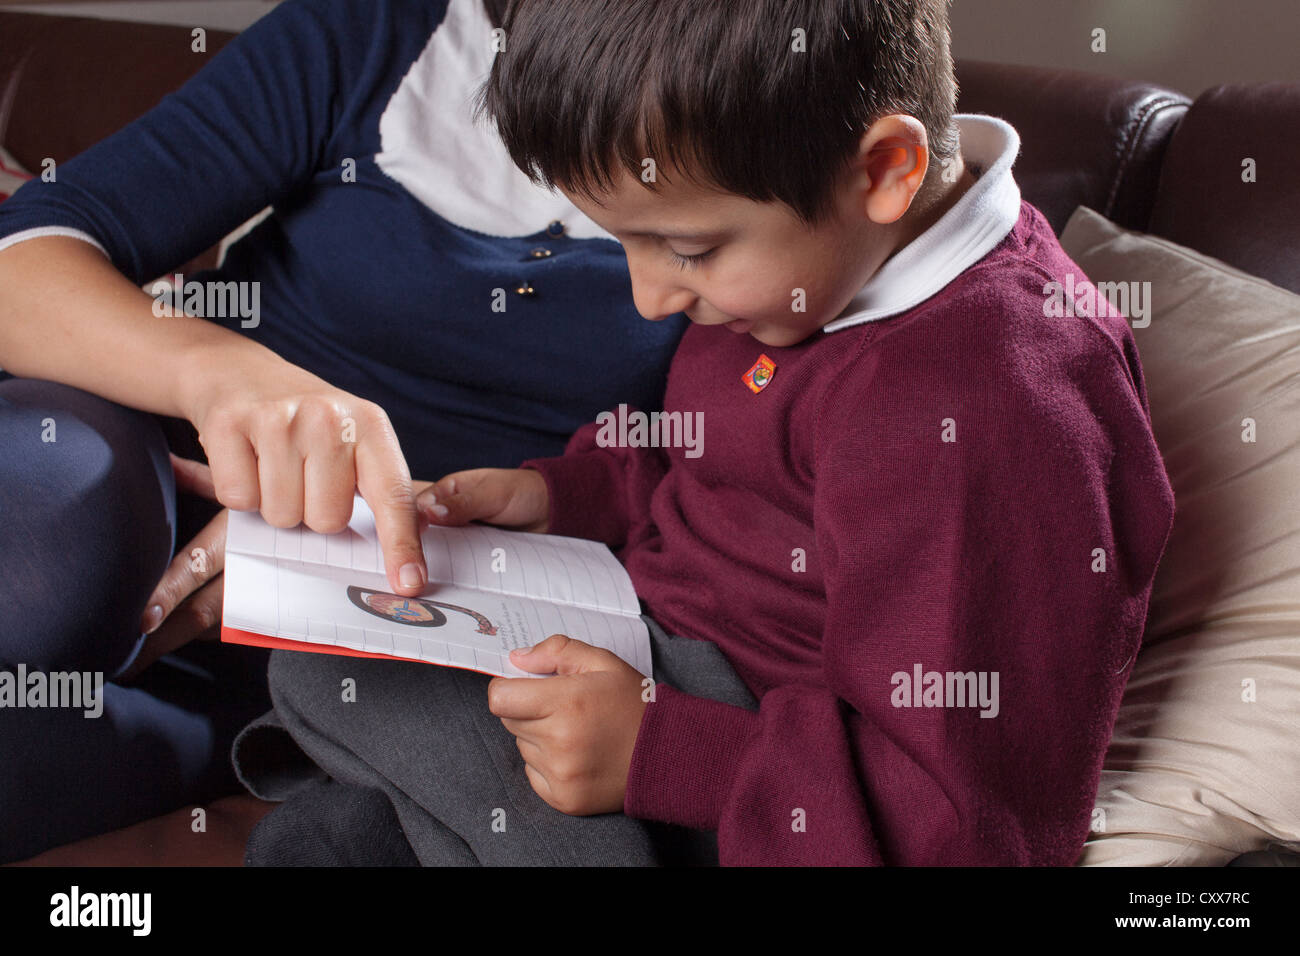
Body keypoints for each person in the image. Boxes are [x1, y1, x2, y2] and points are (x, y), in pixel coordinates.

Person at [232, 0, 1177, 865]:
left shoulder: (987, 401)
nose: (651, 301)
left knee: (357, 705)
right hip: (645, 646)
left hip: (755, 763)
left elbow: (970, 821)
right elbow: (722, 465)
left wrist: (662, 754)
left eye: (688, 250)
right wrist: (572, 494)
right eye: (623, 243)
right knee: (319, 818)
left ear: (886, 169)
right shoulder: (812, 274)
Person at [0, 0, 686, 863]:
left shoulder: (768, 120)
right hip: (167, 480)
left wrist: (337, 548)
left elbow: (724, 487)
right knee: (54, 528)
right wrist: (230, 380)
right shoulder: (376, 31)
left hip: (402, 622)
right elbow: (24, 256)